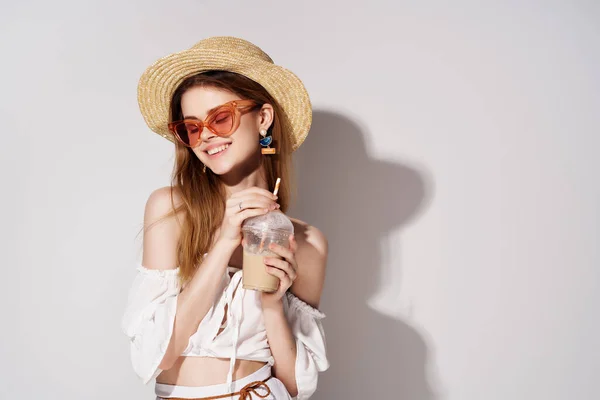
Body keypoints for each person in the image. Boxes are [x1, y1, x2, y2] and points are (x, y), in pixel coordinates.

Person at [121, 36, 330, 400]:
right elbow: (159, 354)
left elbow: (296, 388)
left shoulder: (307, 242)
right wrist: (223, 243)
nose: (207, 137)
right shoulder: (171, 209)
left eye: (221, 118)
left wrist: (271, 304)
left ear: (263, 118)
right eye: (193, 127)